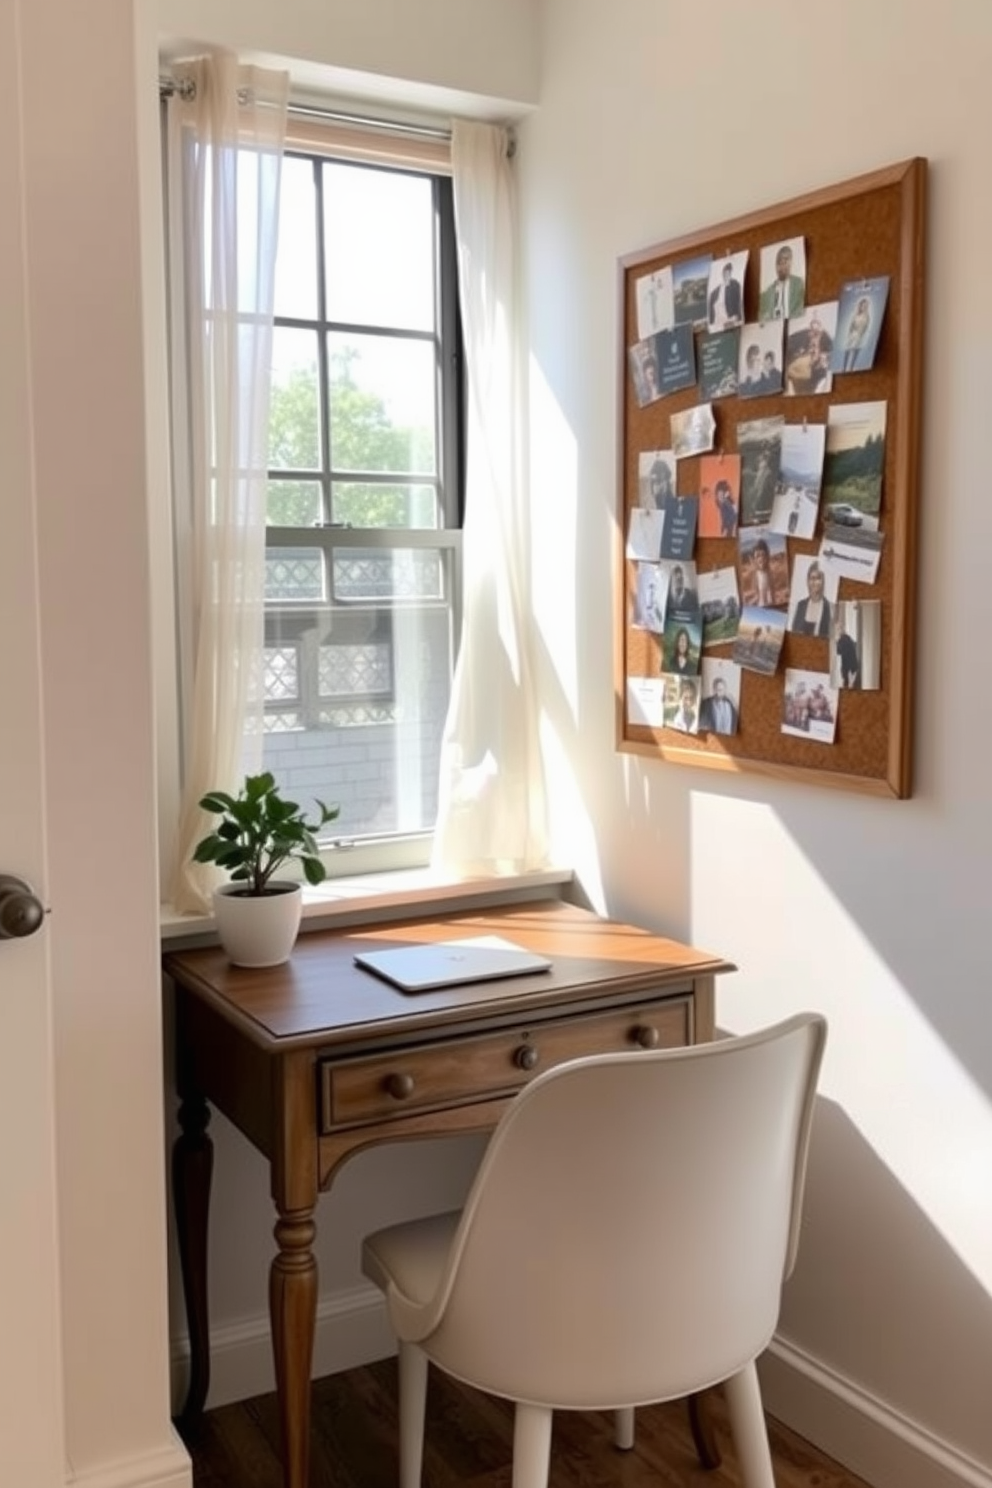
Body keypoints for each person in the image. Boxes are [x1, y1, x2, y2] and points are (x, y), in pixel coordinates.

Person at [786, 315, 832, 394]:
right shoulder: (802, 359)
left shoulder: (822, 370)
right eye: (812, 331)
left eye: (817, 333)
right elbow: (789, 372)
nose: (811, 349)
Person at [758, 243, 805, 320]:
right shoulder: (769, 291)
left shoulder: (798, 284)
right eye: (779, 263)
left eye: (785, 262)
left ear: (790, 263)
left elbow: (800, 309)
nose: (781, 267)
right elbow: (762, 316)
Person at [790, 560, 832, 637]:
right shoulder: (801, 605)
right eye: (812, 578)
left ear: (823, 581)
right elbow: (794, 632)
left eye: (818, 578)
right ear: (808, 581)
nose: (815, 582)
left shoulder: (829, 607)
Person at [708, 260, 742, 330]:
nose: (726, 276)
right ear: (722, 274)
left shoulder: (735, 284)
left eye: (728, 273)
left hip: (731, 320)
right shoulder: (715, 292)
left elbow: (738, 301)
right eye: (725, 273)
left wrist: (737, 317)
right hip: (718, 323)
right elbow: (711, 311)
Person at [842, 296, 872, 372]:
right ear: (860, 305)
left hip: (860, 336)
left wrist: (861, 335)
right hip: (853, 334)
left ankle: (851, 368)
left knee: (856, 351)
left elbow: (866, 327)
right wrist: (850, 334)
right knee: (847, 350)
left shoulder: (867, 316)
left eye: (866, 306)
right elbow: (851, 325)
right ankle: (844, 367)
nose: (864, 307)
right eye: (863, 305)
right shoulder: (855, 315)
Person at [834, 616, 862, 688]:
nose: (839, 629)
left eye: (840, 628)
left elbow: (839, 652)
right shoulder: (844, 638)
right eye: (837, 628)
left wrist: (837, 641)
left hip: (850, 668)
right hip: (849, 668)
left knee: (847, 684)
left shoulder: (845, 638)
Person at [748, 538, 773, 607]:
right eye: (757, 556)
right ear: (753, 559)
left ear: (767, 556)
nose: (761, 559)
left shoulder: (768, 574)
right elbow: (758, 595)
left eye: (763, 555)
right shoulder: (756, 575)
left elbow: (770, 592)